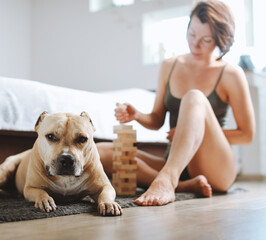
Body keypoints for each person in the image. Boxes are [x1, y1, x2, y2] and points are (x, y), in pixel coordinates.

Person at [96, 0, 255, 206]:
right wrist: (137, 115)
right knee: (100, 152)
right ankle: (183, 185)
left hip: (215, 167)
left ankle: (167, 180)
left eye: (206, 40)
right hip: (176, 160)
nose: (195, 44)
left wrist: (190, 130)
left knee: (194, 97)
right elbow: (157, 120)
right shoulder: (169, 66)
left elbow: (247, 135)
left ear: (220, 40)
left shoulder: (231, 74)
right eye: (191, 35)